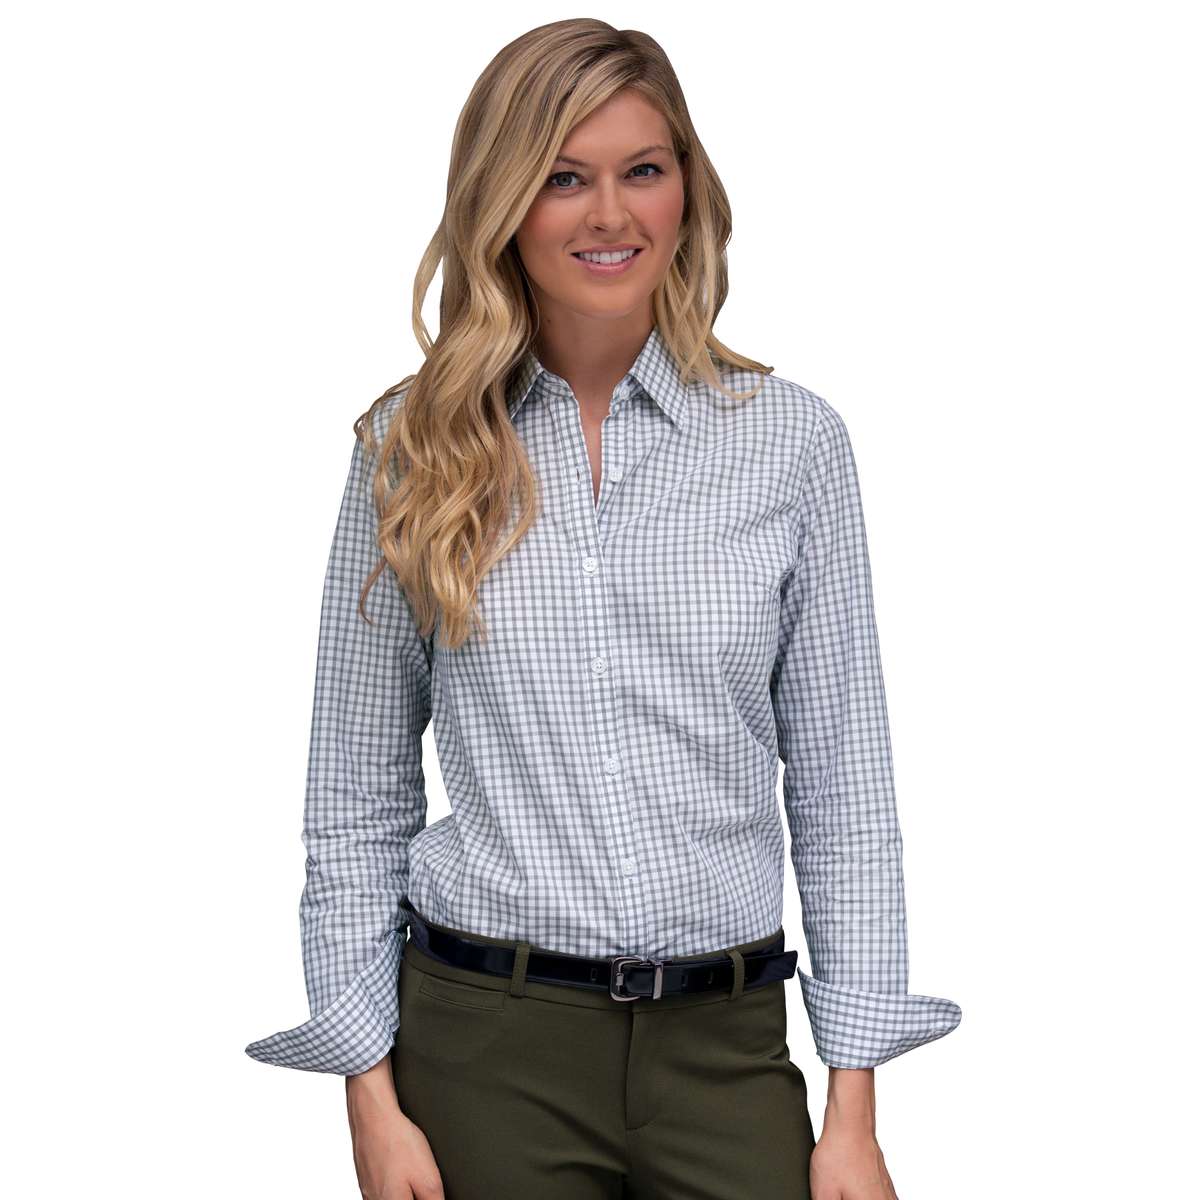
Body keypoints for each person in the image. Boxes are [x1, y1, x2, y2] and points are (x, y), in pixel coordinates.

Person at [244, 17, 961, 1200]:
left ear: (689, 191)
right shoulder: (411, 448)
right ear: (502, 203)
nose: (610, 214)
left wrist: (854, 1107)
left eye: (644, 169)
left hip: (726, 1048)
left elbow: (844, 792)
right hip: (485, 1052)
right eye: (564, 178)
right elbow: (355, 795)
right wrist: (368, 1096)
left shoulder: (792, 446)